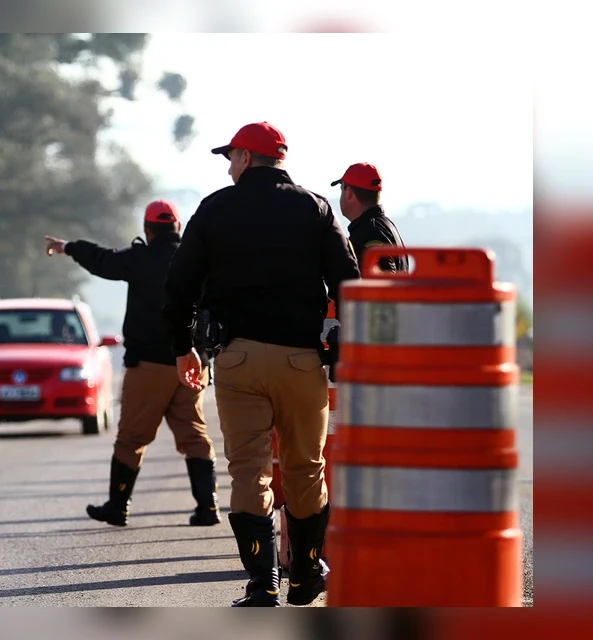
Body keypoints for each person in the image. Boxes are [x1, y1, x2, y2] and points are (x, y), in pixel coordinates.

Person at [161, 122, 361, 607]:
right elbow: (350, 282)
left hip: (239, 358)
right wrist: (344, 343)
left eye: (231, 157)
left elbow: (179, 287)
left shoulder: (215, 208)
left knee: (249, 471)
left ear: (247, 158)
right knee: (306, 469)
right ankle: (305, 576)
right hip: (301, 360)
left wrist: (184, 348)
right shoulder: (316, 207)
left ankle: (263, 582)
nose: (228, 168)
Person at [44, 200, 221, 529]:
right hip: (193, 364)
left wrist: (69, 247)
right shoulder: (198, 259)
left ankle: (118, 506)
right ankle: (208, 506)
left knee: (131, 438)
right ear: (178, 227)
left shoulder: (139, 259)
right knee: (195, 436)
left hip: (150, 365)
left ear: (147, 229)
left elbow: (103, 260)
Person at [331, 162, 406, 273]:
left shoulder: (370, 232)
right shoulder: (383, 226)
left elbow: (383, 280)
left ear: (349, 193)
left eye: (342, 190)